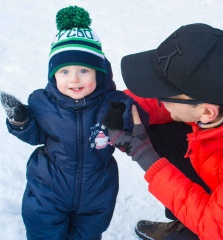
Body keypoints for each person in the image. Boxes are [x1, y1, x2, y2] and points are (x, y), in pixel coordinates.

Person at [0, 6, 148, 240]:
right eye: (64, 71)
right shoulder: (42, 102)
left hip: (97, 193)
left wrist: (123, 117)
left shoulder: (112, 102)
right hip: (48, 191)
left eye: (83, 70)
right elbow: (36, 135)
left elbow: (140, 122)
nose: (74, 79)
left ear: (98, 73)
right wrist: (22, 121)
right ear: (53, 75)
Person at [103, 23, 223, 240]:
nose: (157, 99)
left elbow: (220, 231)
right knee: (158, 129)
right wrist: (119, 106)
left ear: (207, 112)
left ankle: (188, 230)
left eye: (163, 95)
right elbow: (174, 102)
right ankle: (185, 218)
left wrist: (143, 154)